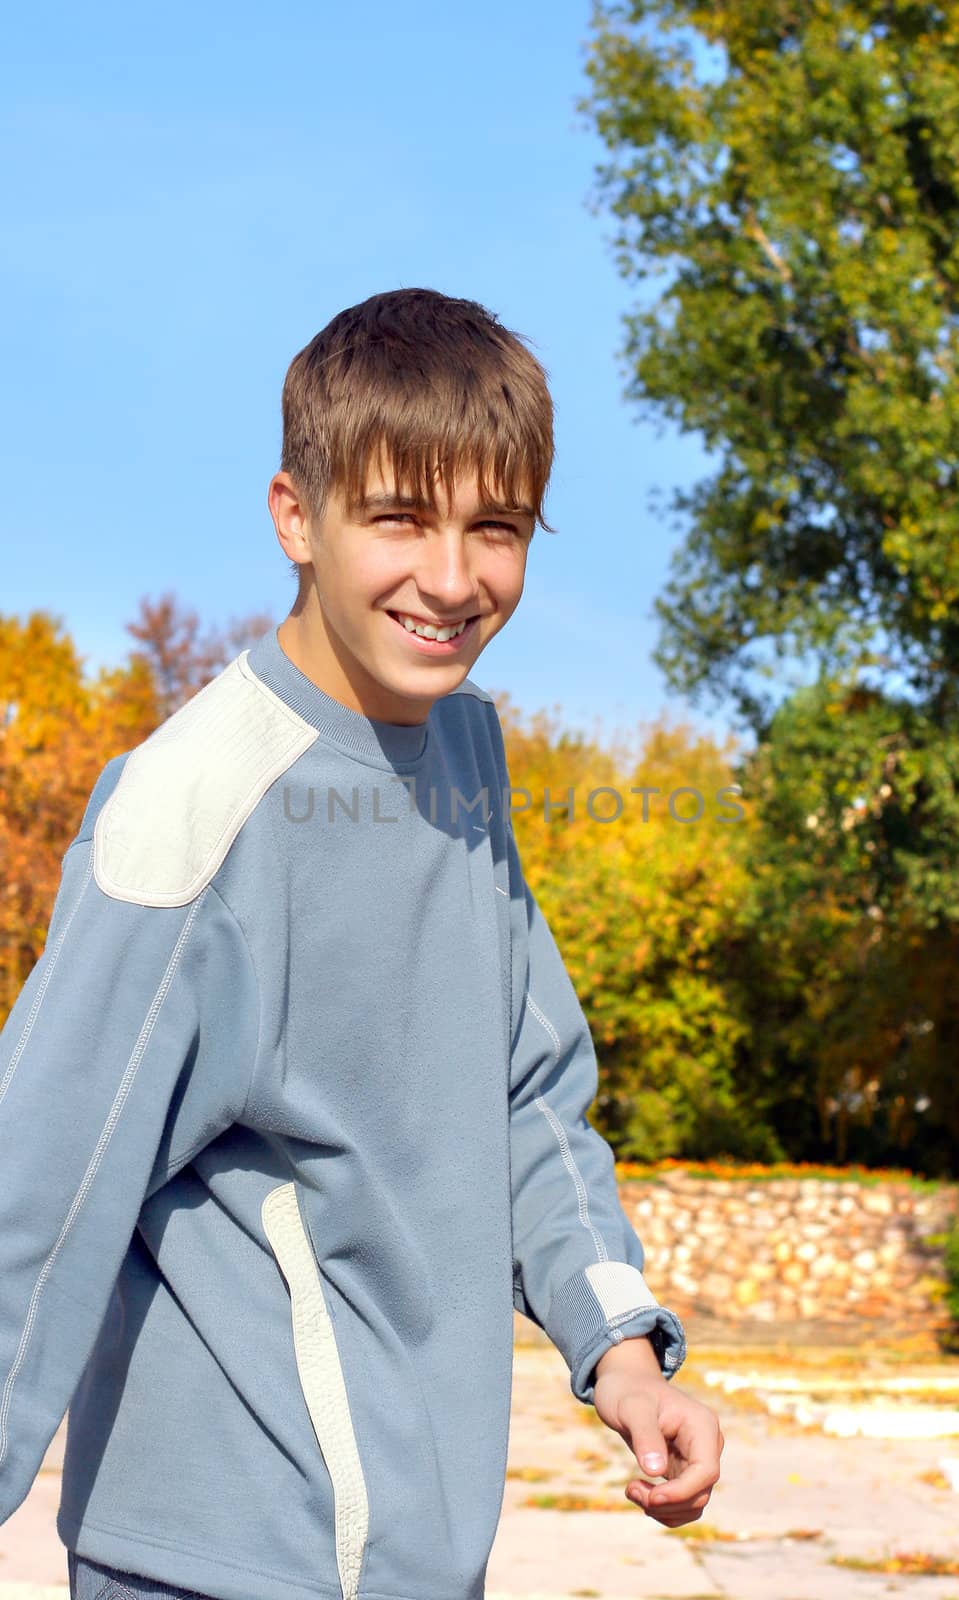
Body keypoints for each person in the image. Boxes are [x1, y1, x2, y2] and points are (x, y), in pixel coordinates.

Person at [0, 288, 723, 1600]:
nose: (451, 581)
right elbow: (35, 1194)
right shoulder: (195, 806)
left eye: (493, 530)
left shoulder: (465, 753)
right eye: (399, 518)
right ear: (297, 517)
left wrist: (620, 1346)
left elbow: (529, 1094)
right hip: (217, 1567)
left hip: (416, 1558)